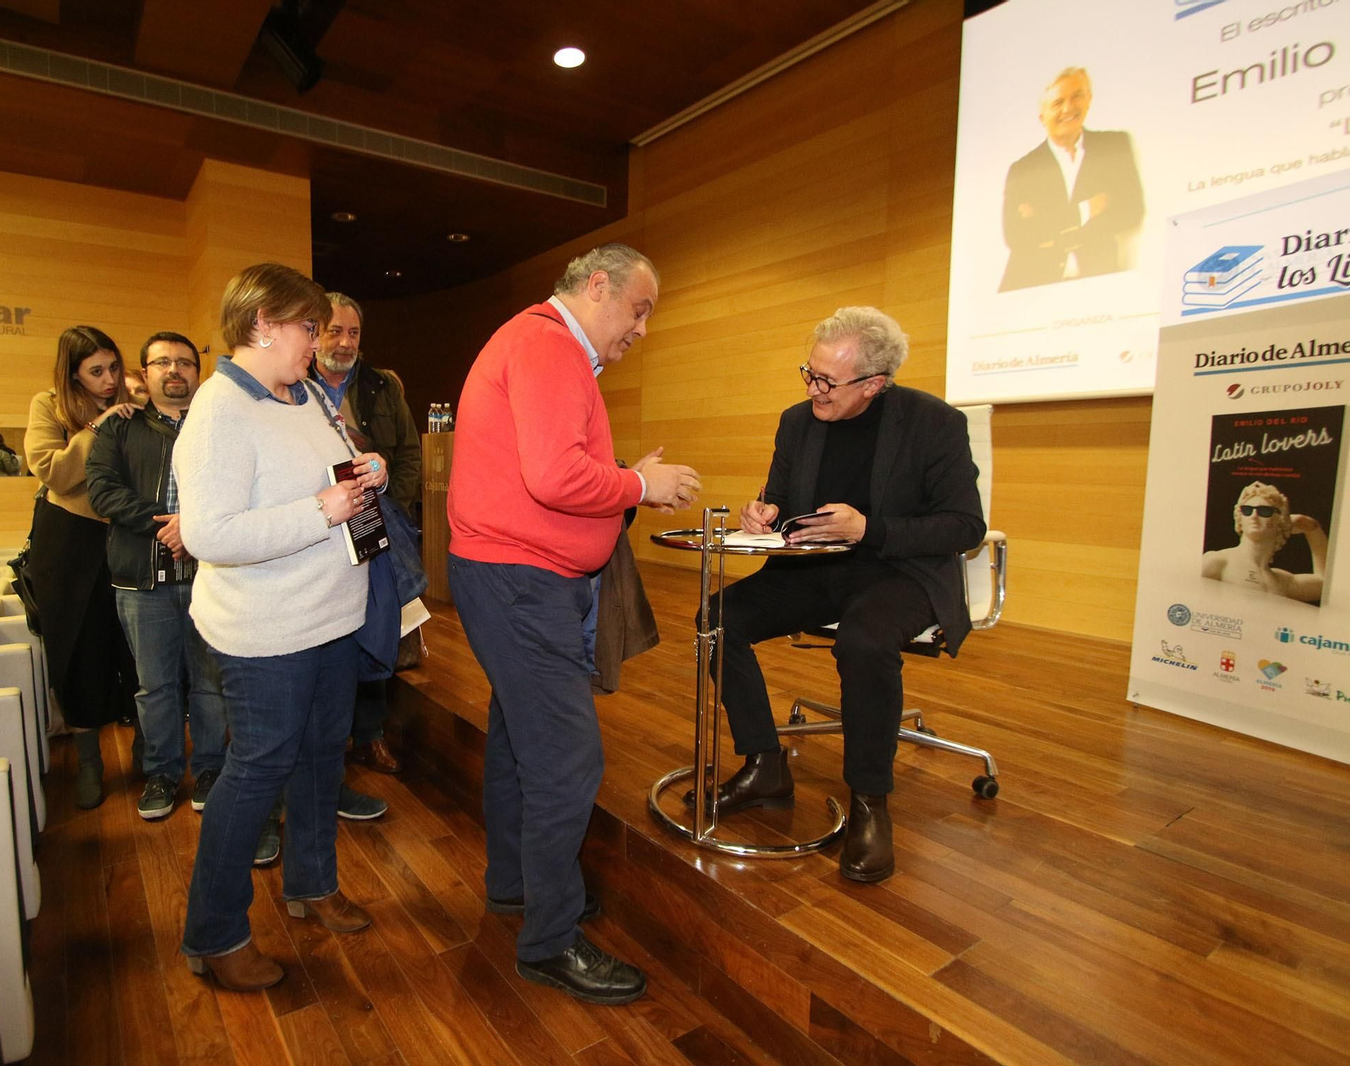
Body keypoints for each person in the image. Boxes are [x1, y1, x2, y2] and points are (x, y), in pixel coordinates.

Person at [447, 243, 700, 1005]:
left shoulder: (534, 341)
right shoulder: (550, 345)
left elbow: (545, 472)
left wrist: (623, 481)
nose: (643, 330)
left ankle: (517, 884)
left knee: (520, 741)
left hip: (506, 575)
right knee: (567, 759)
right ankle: (550, 940)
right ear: (598, 287)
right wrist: (637, 483)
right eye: (640, 309)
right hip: (521, 583)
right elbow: (554, 477)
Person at [687, 307, 985, 884]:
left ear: (874, 384)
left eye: (827, 381)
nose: (813, 389)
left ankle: (871, 802)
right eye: (809, 374)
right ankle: (765, 764)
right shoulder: (798, 421)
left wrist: (868, 528)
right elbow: (778, 498)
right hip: (814, 569)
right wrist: (762, 512)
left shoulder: (934, 424)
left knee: (865, 641)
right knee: (717, 617)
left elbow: (964, 526)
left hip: (898, 572)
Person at [175, 262, 387, 992]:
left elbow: (325, 471)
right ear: (262, 323)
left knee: (323, 757)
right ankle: (216, 932)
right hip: (267, 633)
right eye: (307, 325)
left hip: (329, 616)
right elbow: (211, 533)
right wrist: (318, 513)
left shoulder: (302, 396)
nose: (319, 339)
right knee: (256, 773)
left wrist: (366, 470)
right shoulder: (219, 411)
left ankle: (311, 885)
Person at [86, 331, 229, 822]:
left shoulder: (217, 427)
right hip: (142, 581)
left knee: (211, 684)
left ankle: (210, 769)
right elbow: (103, 490)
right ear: (144, 373)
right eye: (162, 362)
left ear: (198, 372)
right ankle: (163, 774)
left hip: (211, 576)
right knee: (156, 687)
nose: (174, 371)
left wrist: (196, 530)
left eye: (185, 363)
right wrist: (165, 526)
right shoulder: (119, 429)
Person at [25, 326, 142, 809]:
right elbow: (51, 470)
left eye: (113, 367)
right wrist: (98, 427)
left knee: (135, 649)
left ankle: (146, 754)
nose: (109, 379)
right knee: (79, 651)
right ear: (72, 374)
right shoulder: (48, 405)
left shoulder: (136, 401)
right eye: (96, 372)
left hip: (126, 532)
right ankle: (90, 760)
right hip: (71, 540)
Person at [312, 291, 421, 775]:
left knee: (376, 626)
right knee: (328, 636)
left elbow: (409, 450)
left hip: (372, 525)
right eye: (335, 330)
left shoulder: (382, 386)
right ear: (315, 332)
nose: (344, 341)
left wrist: (391, 501)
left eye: (353, 332)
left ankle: (371, 735)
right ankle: (328, 746)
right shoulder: (295, 386)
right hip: (317, 530)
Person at [999, 66, 1144, 292]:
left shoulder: (1114, 146)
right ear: (1042, 116)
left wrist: (1045, 225)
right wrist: (1087, 209)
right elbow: (1017, 236)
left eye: (1077, 96)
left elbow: (1131, 212)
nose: (1068, 108)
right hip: (1029, 292)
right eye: (1057, 103)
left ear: (1089, 99)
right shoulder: (1023, 169)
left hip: (1097, 287)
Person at [1202, 481, 1326, 603]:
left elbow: (1325, 584)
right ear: (1240, 518)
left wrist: (1312, 528)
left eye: (1264, 511)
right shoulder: (1218, 561)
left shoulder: (1282, 581)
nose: (1254, 516)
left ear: (1281, 520)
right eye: (1247, 510)